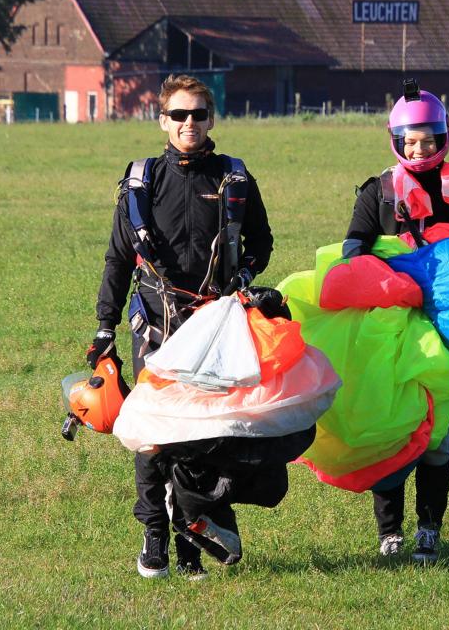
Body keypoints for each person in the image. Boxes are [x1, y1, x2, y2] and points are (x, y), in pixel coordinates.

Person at [88, 73, 276, 579]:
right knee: (154, 431)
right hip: (157, 321)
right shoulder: (142, 182)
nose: (188, 123)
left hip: (214, 324)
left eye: (197, 114)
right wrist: (104, 327)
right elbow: (118, 259)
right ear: (162, 121)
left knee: (207, 431)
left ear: (211, 120)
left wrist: (244, 274)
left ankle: (190, 536)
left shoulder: (233, 178)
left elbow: (261, 241)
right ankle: (154, 533)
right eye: (178, 114)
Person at [341, 79, 449, 564]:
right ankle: (390, 533)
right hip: (392, 328)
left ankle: (429, 529)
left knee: (438, 433)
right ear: (396, 140)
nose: (418, 149)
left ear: (443, 137)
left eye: (427, 140)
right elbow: (353, 248)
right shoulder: (378, 193)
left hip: (446, 328)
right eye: (410, 141)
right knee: (394, 427)